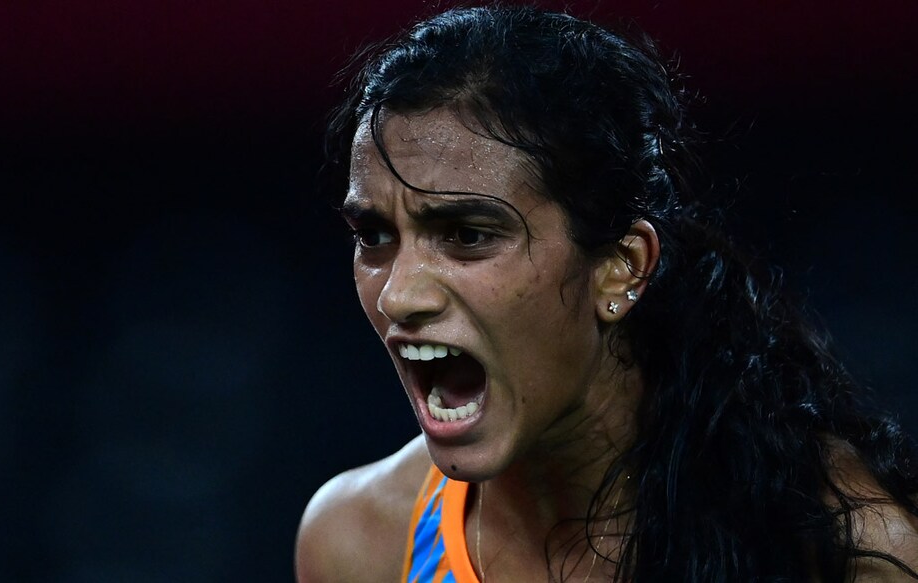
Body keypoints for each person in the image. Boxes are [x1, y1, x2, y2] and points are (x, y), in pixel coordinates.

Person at [294, 4, 918, 582]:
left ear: (622, 267)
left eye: (466, 234)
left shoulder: (848, 549)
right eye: (374, 236)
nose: (398, 296)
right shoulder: (357, 544)